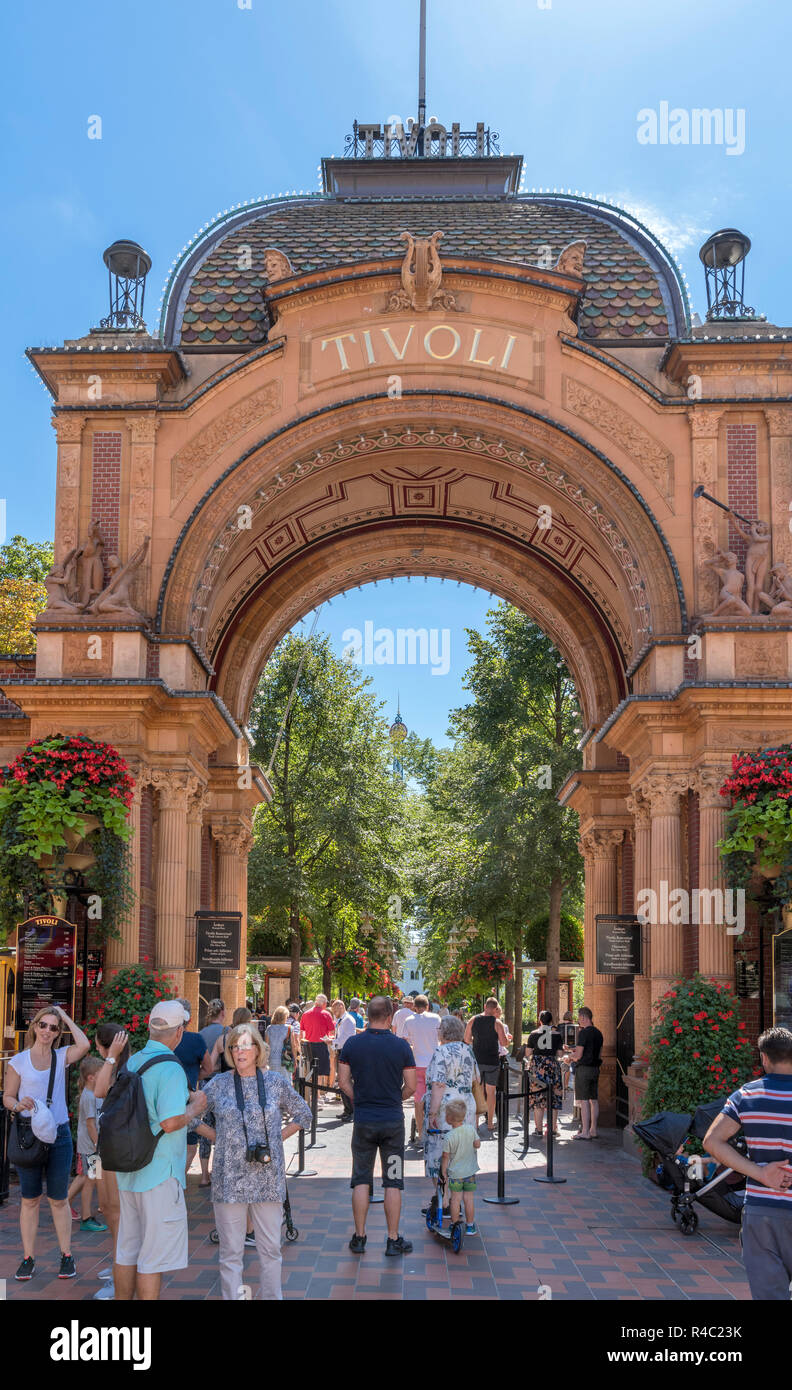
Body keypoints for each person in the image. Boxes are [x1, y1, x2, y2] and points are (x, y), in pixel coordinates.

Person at [199, 1022, 311, 1300]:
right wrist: (219, 1138)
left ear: (258, 1049)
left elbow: (303, 1113)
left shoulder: (274, 1082)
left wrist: (277, 1137)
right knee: (230, 1253)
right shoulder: (220, 1084)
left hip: (267, 1178)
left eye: (246, 1045)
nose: (239, 1052)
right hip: (229, 1180)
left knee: (271, 1249)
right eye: (234, 1047)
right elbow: (192, 1119)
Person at [114, 1001, 208, 1301]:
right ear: (179, 1032)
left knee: (127, 1249)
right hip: (159, 1172)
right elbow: (170, 1122)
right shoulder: (169, 1067)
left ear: (151, 1026)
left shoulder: (133, 1061)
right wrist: (195, 1108)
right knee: (152, 1257)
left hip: (129, 1169)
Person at [3, 1004, 90, 1282]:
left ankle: (66, 1255)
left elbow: (85, 1044)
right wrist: (17, 1105)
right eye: (43, 1025)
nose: (47, 1031)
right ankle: (28, 1257)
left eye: (54, 1028)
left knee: (58, 1199)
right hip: (29, 1133)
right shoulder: (18, 1061)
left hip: (59, 1134)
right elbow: (7, 1097)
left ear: (57, 1032)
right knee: (29, 1200)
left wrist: (64, 1015)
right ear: (35, 1026)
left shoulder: (61, 1056)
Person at [704, 1026, 792, 1300]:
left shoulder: (746, 1096)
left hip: (763, 1210)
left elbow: (712, 1141)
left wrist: (761, 1173)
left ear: (764, 1058)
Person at [338, 994, 416, 1256]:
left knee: (361, 1178)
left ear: (368, 1015)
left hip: (364, 1121)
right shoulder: (402, 1047)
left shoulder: (352, 1044)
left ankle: (359, 1237)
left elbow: (343, 1081)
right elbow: (412, 1086)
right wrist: (396, 1097)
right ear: (390, 1017)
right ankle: (392, 1239)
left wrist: (358, 1099)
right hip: (392, 1122)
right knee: (393, 1181)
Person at [91, 1022, 130, 1299]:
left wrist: (111, 1056)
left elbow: (99, 1092)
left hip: (115, 1153)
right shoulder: (109, 1067)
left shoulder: (120, 1072)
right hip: (98, 1151)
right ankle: (115, 1266)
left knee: (117, 1218)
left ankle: (120, 1281)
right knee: (105, 1210)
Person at [424, 1015, 480, 1198]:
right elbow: (476, 1079)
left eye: (439, 1028)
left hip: (446, 1108)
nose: (438, 1031)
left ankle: (443, 1200)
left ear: (445, 1031)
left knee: (441, 1153)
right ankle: (458, 1201)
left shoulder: (441, 1052)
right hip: (466, 1106)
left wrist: (432, 1113)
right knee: (460, 1152)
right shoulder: (468, 1050)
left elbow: (439, 1085)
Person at [174, 998, 213, 1178]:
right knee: (190, 1146)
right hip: (189, 1098)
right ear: (189, 1018)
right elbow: (209, 1068)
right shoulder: (195, 1040)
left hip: (166, 1098)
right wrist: (192, 1078)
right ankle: (178, 1180)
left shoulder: (161, 1041)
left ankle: (172, 1180)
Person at [67, 1056, 107, 1231]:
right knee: (89, 1180)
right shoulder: (88, 1097)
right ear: (91, 1077)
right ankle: (86, 1218)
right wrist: (98, 1144)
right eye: (101, 1073)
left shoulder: (95, 1094)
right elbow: (90, 1124)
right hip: (90, 1147)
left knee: (87, 1179)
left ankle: (78, 1212)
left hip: (92, 1146)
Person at [464, 997, 509, 1134]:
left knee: (477, 1091)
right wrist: (508, 1038)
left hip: (477, 1060)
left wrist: (476, 1040)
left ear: (485, 1006)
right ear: (495, 1009)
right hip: (492, 1061)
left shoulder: (473, 1020)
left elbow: (466, 1039)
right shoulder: (497, 1023)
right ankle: (489, 1123)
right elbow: (504, 1043)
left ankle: (475, 1123)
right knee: (491, 1092)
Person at [402, 995, 440, 1145]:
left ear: (414, 1007)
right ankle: (435, 1130)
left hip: (417, 1064)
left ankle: (421, 1136)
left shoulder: (409, 1020)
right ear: (428, 1006)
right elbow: (442, 1038)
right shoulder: (436, 1018)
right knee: (436, 1098)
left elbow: (404, 1041)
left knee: (418, 1101)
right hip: (434, 1064)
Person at [440, 1098, 481, 1236]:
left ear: (449, 1119)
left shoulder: (449, 1136)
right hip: (470, 1172)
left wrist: (443, 1171)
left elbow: (446, 1156)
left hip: (456, 1174)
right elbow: (477, 1144)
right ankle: (470, 1225)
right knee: (469, 1199)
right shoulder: (470, 1129)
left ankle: (455, 1224)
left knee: (455, 1200)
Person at [524, 1010, 564, 1138]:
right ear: (551, 1021)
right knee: (553, 1097)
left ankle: (539, 1130)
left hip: (537, 1068)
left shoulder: (533, 1034)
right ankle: (552, 1130)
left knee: (537, 1098)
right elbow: (560, 1054)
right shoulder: (557, 1035)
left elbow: (528, 1053)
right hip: (552, 1066)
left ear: (540, 1020)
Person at [566, 1005, 603, 1140]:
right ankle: (593, 1130)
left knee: (584, 1101)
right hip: (595, 1069)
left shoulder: (584, 1033)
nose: (578, 1021)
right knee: (594, 1100)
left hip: (584, 1069)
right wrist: (573, 1051)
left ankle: (585, 1131)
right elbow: (595, 1051)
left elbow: (579, 1055)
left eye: (579, 1018)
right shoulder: (598, 1033)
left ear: (583, 1017)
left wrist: (569, 1058)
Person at [300, 994, 335, 1103]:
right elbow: (332, 1032)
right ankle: (318, 1096)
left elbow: (302, 1031)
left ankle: (311, 1095)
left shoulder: (305, 1014)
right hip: (321, 1045)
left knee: (310, 1070)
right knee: (319, 1072)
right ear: (324, 1004)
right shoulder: (326, 1014)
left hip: (308, 1045)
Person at [266, 1005, 298, 1077]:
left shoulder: (269, 1028)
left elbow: (266, 1046)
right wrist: (295, 1060)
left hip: (271, 1060)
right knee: (285, 1084)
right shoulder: (290, 1029)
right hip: (285, 1061)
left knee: (273, 1084)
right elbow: (293, 1046)